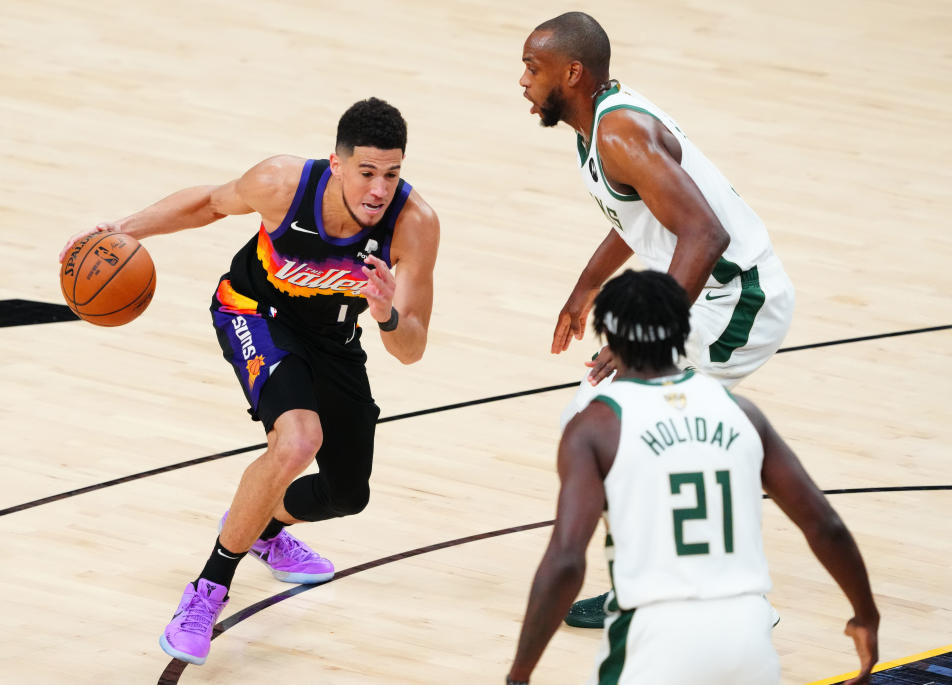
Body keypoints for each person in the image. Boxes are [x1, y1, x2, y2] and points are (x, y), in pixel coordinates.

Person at [59, 98, 440, 665]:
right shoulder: (281, 183)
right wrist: (123, 229)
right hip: (255, 312)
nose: (379, 189)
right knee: (297, 440)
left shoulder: (414, 226)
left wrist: (385, 313)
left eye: (392, 174)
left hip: (334, 338)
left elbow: (411, 348)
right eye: (366, 172)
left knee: (346, 495)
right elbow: (209, 205)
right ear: (336, 164)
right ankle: (207, 589)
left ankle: (262, 526)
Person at [519, 11, 796, 627]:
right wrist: (588, 285)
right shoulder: (597, 122)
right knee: (611, 423)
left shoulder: (620, 133)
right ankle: (654, 583)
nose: (523, 81)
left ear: (573, 72)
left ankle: (731, 597)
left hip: (738, 302)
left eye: (533, 68)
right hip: (711, 295)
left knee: (619, 425)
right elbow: (641, 216)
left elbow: (704, 234)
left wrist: (645, 336)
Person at [506, 269, 879, 685]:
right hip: (748, 641)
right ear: (684, 328)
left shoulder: (596, 426)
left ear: (608, 337)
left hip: (656, 642)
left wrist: (520, 673)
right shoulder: (742, 413)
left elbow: (567, 561)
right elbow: (824, 524)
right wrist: (866, 616)